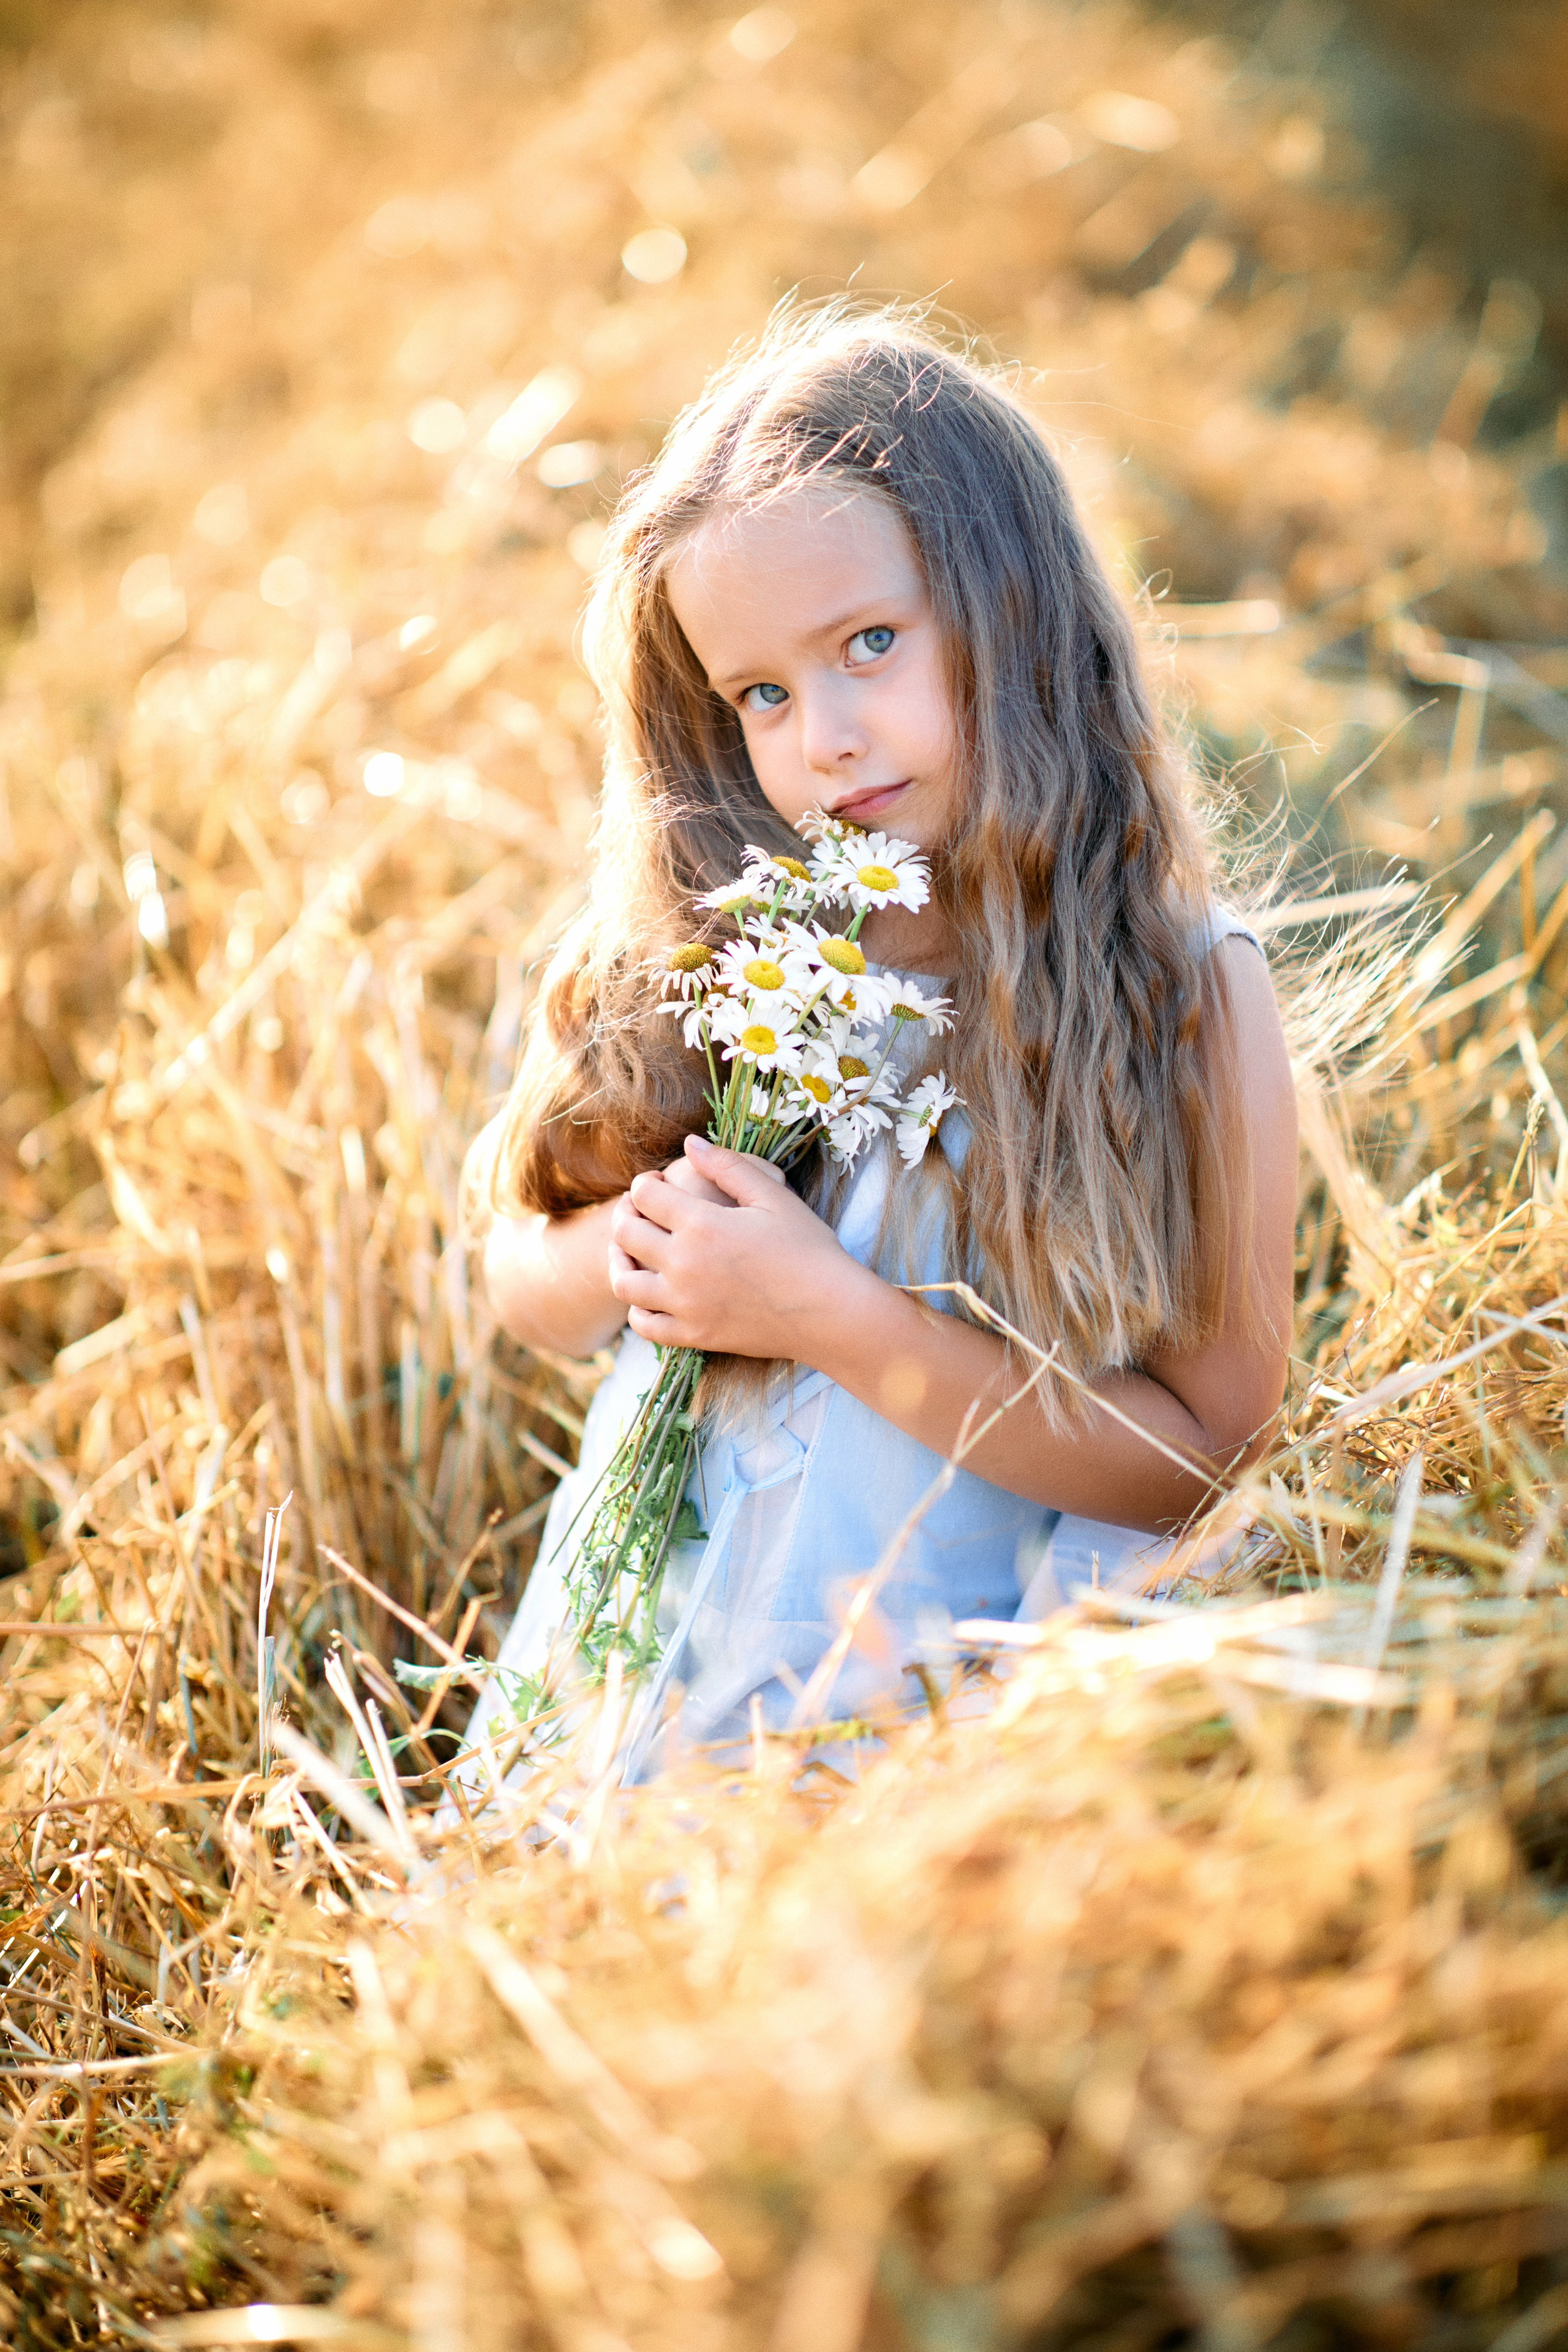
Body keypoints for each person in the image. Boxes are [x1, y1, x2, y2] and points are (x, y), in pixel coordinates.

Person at [461, 305, 1297, 1781]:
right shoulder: (725, 948)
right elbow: (526, 1275)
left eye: (868, 644)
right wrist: (641, 1253)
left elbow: (1203, 1453)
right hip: (647, 1695)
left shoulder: (1179, 993)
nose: (824, 737)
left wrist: (825, 1315)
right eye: (761, 695)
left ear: (1011, 607)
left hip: (927, 1721)